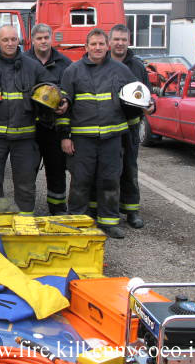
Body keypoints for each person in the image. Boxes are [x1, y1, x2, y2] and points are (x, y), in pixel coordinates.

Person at [58, 28, 137, 239]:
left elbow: (136, 96)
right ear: (86, 47)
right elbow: (64, 106)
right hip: (83, 139)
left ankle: (109, 222)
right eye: (93, 44)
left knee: (110, 180)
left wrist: (148, 104)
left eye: (101, 44)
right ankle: (77, 220)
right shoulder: (72, 71)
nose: (98, 47)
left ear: (107, 46)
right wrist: (65, 136)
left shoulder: (121, 70)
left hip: (112, 137)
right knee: (80, 181)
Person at [0, 25, 57, 218]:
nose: (10, 43)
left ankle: (25, 221)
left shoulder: (33, 67)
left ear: (18, 40)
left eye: (13, 39)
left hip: (25, 137)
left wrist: (57, 100)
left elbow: (51, 87)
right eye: (5, 40)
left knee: (25, 182)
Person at [108, 24, 155, 228]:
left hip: (130, 128)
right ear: (110, 41)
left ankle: (132, 211)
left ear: (129, 41)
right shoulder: (101, 63)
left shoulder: (137, 66)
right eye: (116, 39)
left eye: (123, 39)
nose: (120, 43)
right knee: (108, 171)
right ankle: (107, 210)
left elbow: (147, 94)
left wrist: (151, 105)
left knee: (129, 169)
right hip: (108, 128)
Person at [24, 23, 72, 215]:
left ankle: (57, 208)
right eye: (39, 38)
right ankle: (26, 209)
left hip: (53, 126)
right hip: (29, 126)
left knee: (56, 170)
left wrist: (66, 100)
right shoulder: (23, 61)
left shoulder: (65, 63)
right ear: (32, 40)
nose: (43, 41)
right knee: (27, 171)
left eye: (46, 38)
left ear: (51, 39)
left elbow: (71, 89)